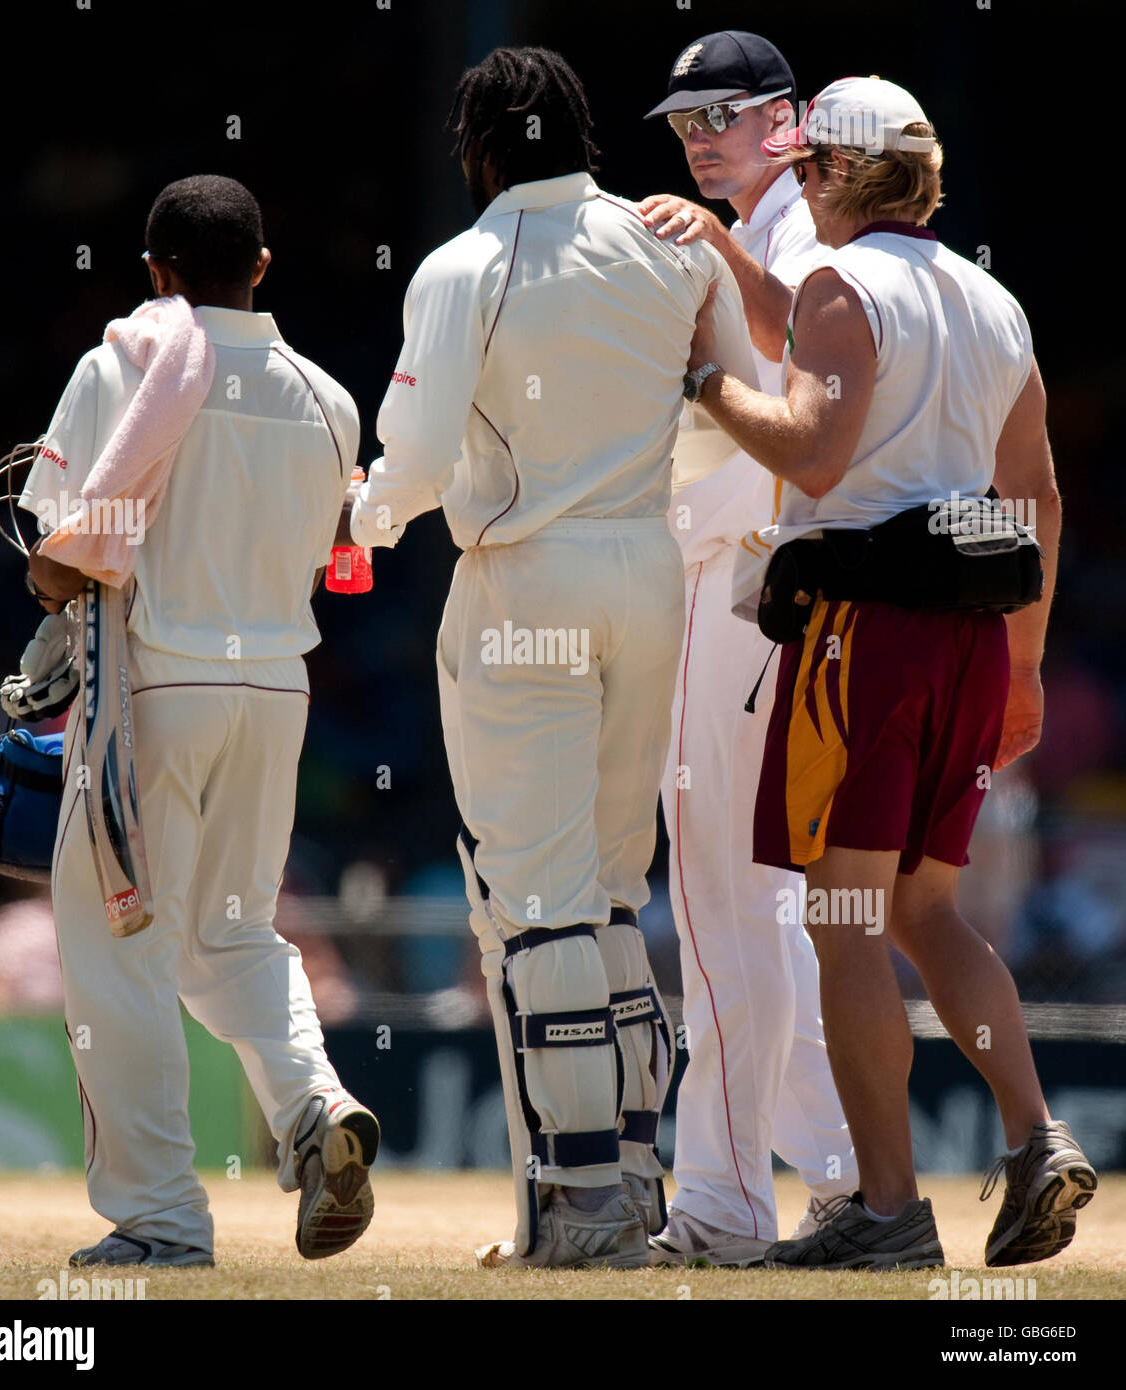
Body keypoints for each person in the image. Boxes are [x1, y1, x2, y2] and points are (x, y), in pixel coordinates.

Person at [338, 46, 759, 1268]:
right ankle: (623, 1183)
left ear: (473, 149)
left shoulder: (467, 264)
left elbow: (409, 459)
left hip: (528, 574)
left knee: (536, 900)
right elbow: (727, 401)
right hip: (651, 571)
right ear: (582, 133)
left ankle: (577, 1210)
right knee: (613, 892)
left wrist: (359, 517)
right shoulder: (670, 241)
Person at [686, 77, 1096, 1268]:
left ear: (841, 176)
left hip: (862, 633)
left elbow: (813, 455)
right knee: (926, 909)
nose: (798, 185)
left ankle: (884, 1207)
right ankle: (1035, 1136)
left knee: (845, 919)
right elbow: (1041, 497)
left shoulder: (838, 284)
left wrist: (703, 387)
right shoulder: (989, 298)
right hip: (972, 633)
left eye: (809, 169)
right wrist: (1021, 667)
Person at [21, 174, 380, 1268]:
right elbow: (338, 554)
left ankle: (162, 1217)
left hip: (154, 687)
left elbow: (58, 556)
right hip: (275, 688)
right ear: (261, 267)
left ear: (154, 274)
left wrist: (48, 587)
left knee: (117, 947)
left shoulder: (120, 364)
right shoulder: (327, 396)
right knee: (228, 934)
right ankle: (316, 1109)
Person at [632, 30, 857, 1265]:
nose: (699, 136)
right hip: (778, 596)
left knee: (725, 904)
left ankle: (722, 1203)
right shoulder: (785, 227)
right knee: (765, 909)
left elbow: (784, 403)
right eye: (683, 121)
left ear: (791, 117)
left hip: (745, 588)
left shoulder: (789, 234)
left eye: (722, 113)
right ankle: (838, 1181)